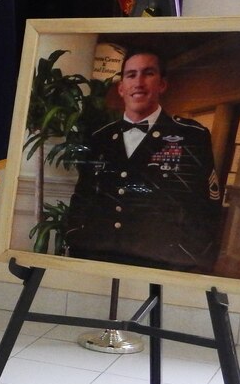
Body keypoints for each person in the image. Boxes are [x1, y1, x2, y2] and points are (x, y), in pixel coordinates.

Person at [65, 48, 222, 273]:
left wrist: (187, 261)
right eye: (130, 75)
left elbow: (205, 209)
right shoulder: (100, 138)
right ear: (121, 88)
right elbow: (83, 196)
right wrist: (77, 241)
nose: (138, 82)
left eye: (148, 73)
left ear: (162, 84)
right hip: (100, 256)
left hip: (159, 261)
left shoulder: (190, 136)